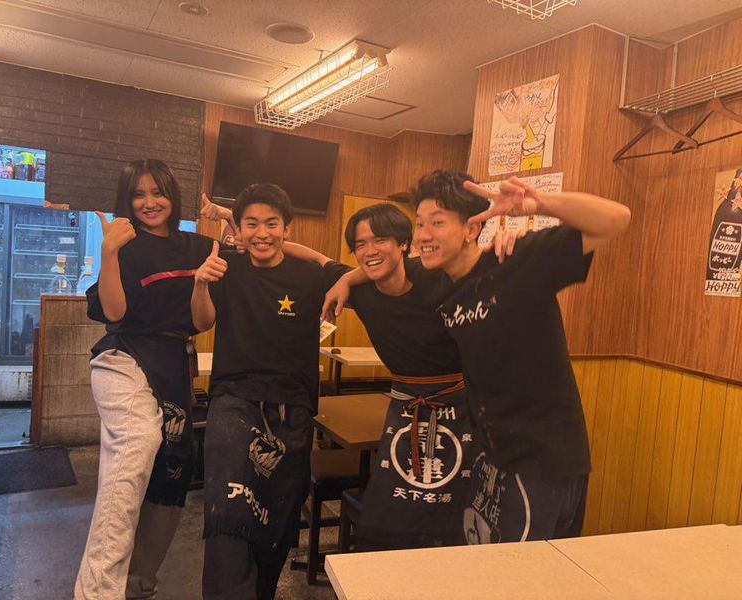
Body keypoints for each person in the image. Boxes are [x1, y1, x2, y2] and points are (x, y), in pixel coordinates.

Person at [410, 170, 630, 543]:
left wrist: (539, 203)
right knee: (487, 560)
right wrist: (345, 281)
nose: (423, 235)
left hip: (544, 459)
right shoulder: (439, 283)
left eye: (437, 222)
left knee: (524, 571)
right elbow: (386, 267)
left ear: (471, 229)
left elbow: (616, 219)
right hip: (494, 455)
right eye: (419, 224)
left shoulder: (515, 260)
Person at [298, 203, 516, 550]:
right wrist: (346, 277)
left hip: (461, 406)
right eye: (360, 244)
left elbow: (481, 269)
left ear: (403, 243)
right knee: (389, 511)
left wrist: (511, 242)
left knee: (459, 511)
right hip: (404, 407)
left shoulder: (434, 276)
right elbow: (316, 258)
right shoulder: (361, 290)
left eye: (380, 240)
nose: (369, 250)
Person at [76, 159, 220, 599]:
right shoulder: (125, 246)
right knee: (137, 443)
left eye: (158, 192)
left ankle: (139, 585)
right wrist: (109, 253)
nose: (149, 202)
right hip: (124, 358)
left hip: (173, 365)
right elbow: (114, 312)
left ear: (173, 196)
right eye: (138, 194)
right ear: (127, 201)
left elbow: (204, 320)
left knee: (173, 470)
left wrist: (230, 220)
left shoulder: (200, 247)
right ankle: (97, 592)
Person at [198, 183, 348, 600]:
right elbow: (201, 321)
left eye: (272, 224)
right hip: (234, 401)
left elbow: (348, 273)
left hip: (293, 408)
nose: (262, 233)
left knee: (278, 519)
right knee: (228, 517)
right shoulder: (226, 267)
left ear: (287, 228)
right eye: (251, 224)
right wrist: (199, 283)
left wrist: (315, 257)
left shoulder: (310, 276)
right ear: (239, 228)